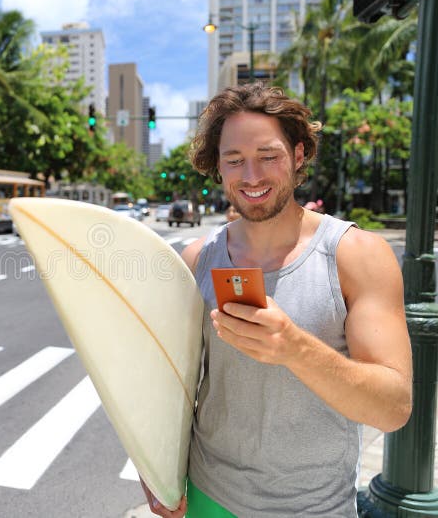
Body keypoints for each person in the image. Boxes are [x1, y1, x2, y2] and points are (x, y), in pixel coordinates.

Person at [142, 83, 412, 517]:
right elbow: (169, 385)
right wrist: (155, 468)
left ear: (299, 154)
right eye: (234, 160)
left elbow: (393, 408)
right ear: (218, 168)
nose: (251, 176)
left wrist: (296, 349)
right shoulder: (197, 259)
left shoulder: (357, 256)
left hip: (314, 507)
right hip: (207, 496)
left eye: (268, 155)